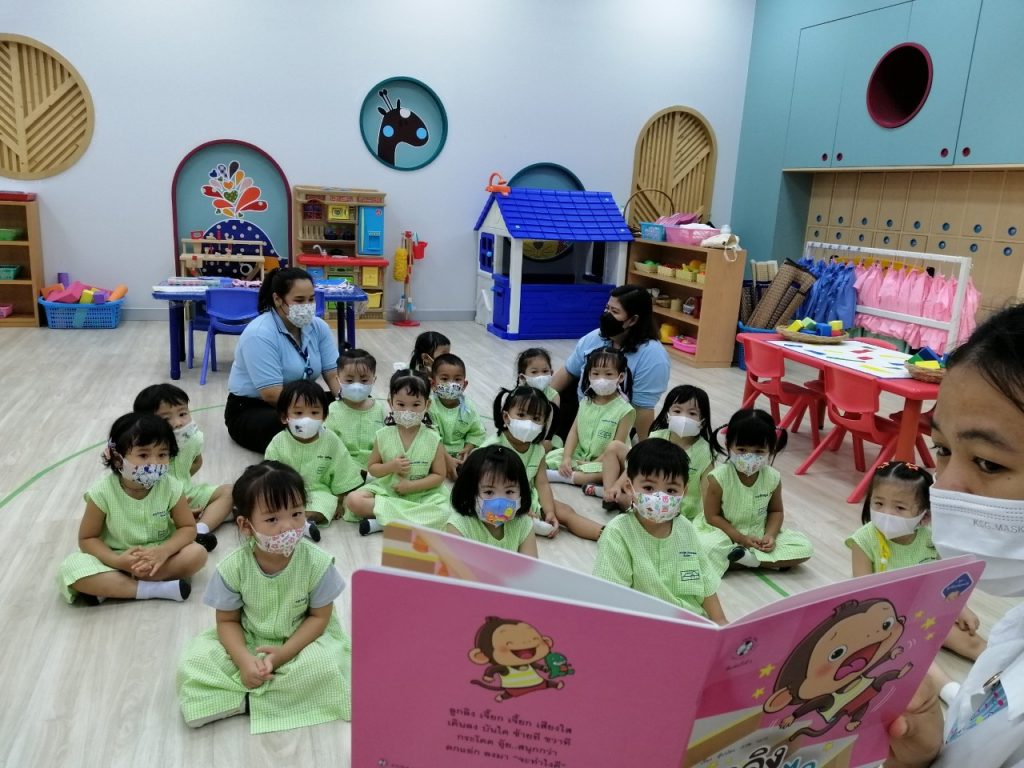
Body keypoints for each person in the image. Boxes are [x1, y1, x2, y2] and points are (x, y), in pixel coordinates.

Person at [885, 304, 1024, 768]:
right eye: (942, 449)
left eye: (988, 463)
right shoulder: (1015, 628)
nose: (943, 488)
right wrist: (924, 756)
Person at [176, 461, 351, 733]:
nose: (288, 527)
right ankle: (276, 699)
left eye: (296, 513)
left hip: (301, 640)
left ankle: (243, 702)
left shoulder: (317, 563)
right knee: (196, 660)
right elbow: (227, 622)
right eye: (272, 519)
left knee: (326, 666)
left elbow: (319, 618)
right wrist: (244, 660)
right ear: (246, 525)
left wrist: (283, 654)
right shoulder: (233, 567)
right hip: (250, 638)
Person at [847, 460, 986, 707]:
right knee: (915, 655)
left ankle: (1010, 669)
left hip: (926, 611)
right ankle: (954, 694)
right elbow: (863, 592)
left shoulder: (931, 540)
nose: (886, 513)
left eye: (900, 507)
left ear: (924, 515)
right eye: (878, 503)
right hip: (886, 622)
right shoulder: (863, 540)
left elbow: (948, 580)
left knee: (970, 641)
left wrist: (961, 609)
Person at [58, 413, 208, 604]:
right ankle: (153, 589)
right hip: (115, 558)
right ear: (117, 459)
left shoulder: (171, 487)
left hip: (160, 556)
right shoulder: (101, 492)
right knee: (71, 568)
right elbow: (87, 539)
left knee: (197, 554)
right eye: (143, 455)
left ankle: (116, 586)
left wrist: (164, 551)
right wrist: (117, 561)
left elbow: (187, 528)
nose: (154, 462)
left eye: (162, 454)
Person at [593, 438, 727, 624]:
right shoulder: (618, 532)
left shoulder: (685, 528)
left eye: (671, 490)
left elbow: (706, 584)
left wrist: (721, 622)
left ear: (684, 491)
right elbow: (612, 597)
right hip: (643, 625)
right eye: (648, 488)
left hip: (691, 622)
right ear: (629, 488)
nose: (660, 498)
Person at [225, 267, 340, 454]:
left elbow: (333, 374)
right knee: (291, 427)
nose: (307, 306)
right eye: (299, 300)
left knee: (357, 406)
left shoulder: (318, 327)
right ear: (278, 299)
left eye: (311, 299)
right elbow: (271, 394)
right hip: (255, 407)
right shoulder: (259, 333)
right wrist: (311, 415)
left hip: (302, 401)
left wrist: (345, 402)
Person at [698, 408, 813, 573]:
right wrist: (740, 538)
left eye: (759, 451)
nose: (749, 456)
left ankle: (743, 560)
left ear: (771, 449)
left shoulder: (772, 477)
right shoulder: (719, 477)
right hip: (723, 533)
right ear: (728, 445)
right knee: (705, 546)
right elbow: (712, 517)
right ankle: (758, 561)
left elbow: (776, 511)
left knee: (804, 547)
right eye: (742, 450)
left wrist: (770, 535)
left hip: (758, 533)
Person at [550, 285, 670, 440]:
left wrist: (644, 448)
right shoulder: (595, 337)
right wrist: (541, 399)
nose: (607, 315)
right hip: (583, 408)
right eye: (607, 308)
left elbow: (643, 409)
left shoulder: (653, 357)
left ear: (633, 320)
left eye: (615, 311)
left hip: (617, 420)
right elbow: (568, 372)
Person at [489, 385, 605, 541]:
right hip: (497, 497)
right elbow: (485, 486)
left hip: (528, 498)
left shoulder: (538, 450)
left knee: (565, 511)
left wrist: (549, 511)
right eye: (521, 415)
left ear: (544, 424)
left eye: (536, 419)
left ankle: (608, 535)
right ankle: (522, 521)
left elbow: (542, 484)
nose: (529, 423)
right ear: (506, 416)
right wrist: (518, 508)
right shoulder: (494, 447)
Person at [343, 370, 451, 535]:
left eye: (415, 405)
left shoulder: (433, 438)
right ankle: (407, 520)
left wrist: (411, 486)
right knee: (353, 500)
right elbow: (373, 468)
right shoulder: (383, 435)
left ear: (427, 405)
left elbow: (439, 476)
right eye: (401, 405)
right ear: (390, 403)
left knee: (444, 513)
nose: (408, 411)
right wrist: (391, 466)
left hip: (423, 494)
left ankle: (382, 522)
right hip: (389, 491)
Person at [133, 383, 232, 551]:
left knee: (229, 491)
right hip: (157, 503)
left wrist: (182, 484)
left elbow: (197, 462)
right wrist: (173, 505)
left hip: (187, 493)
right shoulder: (144, 452)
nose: (178, 423)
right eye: (166, 419)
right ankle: (187, 524)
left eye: (182, 414)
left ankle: (199, 530)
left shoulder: (191, 440)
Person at [602, 384, 720, 518]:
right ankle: (610, 493)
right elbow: (636, 465)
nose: (683, 417)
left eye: (692, 413)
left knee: (629, 501)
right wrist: (617, 485)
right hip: (649, 495)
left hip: (680, 509)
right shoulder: (657, 436)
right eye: (677, 411)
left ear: (703, 421)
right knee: (615, 448)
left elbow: (708, 494)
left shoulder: (706, 453)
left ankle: (616, 498)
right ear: (667, 415)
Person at [264, 380, 363, 539]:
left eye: (314, 413)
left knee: (324, 506)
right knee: (270, 504)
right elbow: (269, 476)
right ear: (284, 417)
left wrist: (339, 502)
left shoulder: (331, 441)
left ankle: (301, 523)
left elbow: (343, 472)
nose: (307, 419)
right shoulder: (278, 442)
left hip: (319, 492)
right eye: (298, 413)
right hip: (287, 494)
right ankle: (298, 524)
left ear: (324, 416)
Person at [545, 348, 634, 494]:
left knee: (609, 472)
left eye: (608, 374)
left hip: (606, 460)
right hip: (581, 455)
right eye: (596, 374)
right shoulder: (585, 401)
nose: (601, 379)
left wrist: (592, 464)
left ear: (620, 377)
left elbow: (616, 447)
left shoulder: (625, 410)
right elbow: (574, 432)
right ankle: (579, 476)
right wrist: (567, 457)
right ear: (589, 375)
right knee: (551, 457)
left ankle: (566, 477)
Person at [447, 444, 538, 557]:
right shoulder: (459, 526)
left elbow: (530, 565)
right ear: (470, 492)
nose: (500, 502)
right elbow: (455, 565)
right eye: (489, 492)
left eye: (509, 492)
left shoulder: (523, 523)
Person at [324, 347, 387, 469]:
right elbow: (328, 444)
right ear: (338, 380)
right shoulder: (333, 410)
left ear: (374, 380)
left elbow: (386, 441)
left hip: (375, 466)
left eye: (364, 380)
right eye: (349, 380)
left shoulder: (379, 409)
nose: (357, 385)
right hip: (342, 466)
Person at [428, 353, 487, 481]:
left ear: (464, 385)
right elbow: (430, 438)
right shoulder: (430, 406)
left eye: (457, 379)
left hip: (460, 454)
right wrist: (446, 459)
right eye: (444, 379)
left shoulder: (468, 407)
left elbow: (476, 432)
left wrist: (468, 448)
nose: (451, 384)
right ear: (433, 384)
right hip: (436, 452)